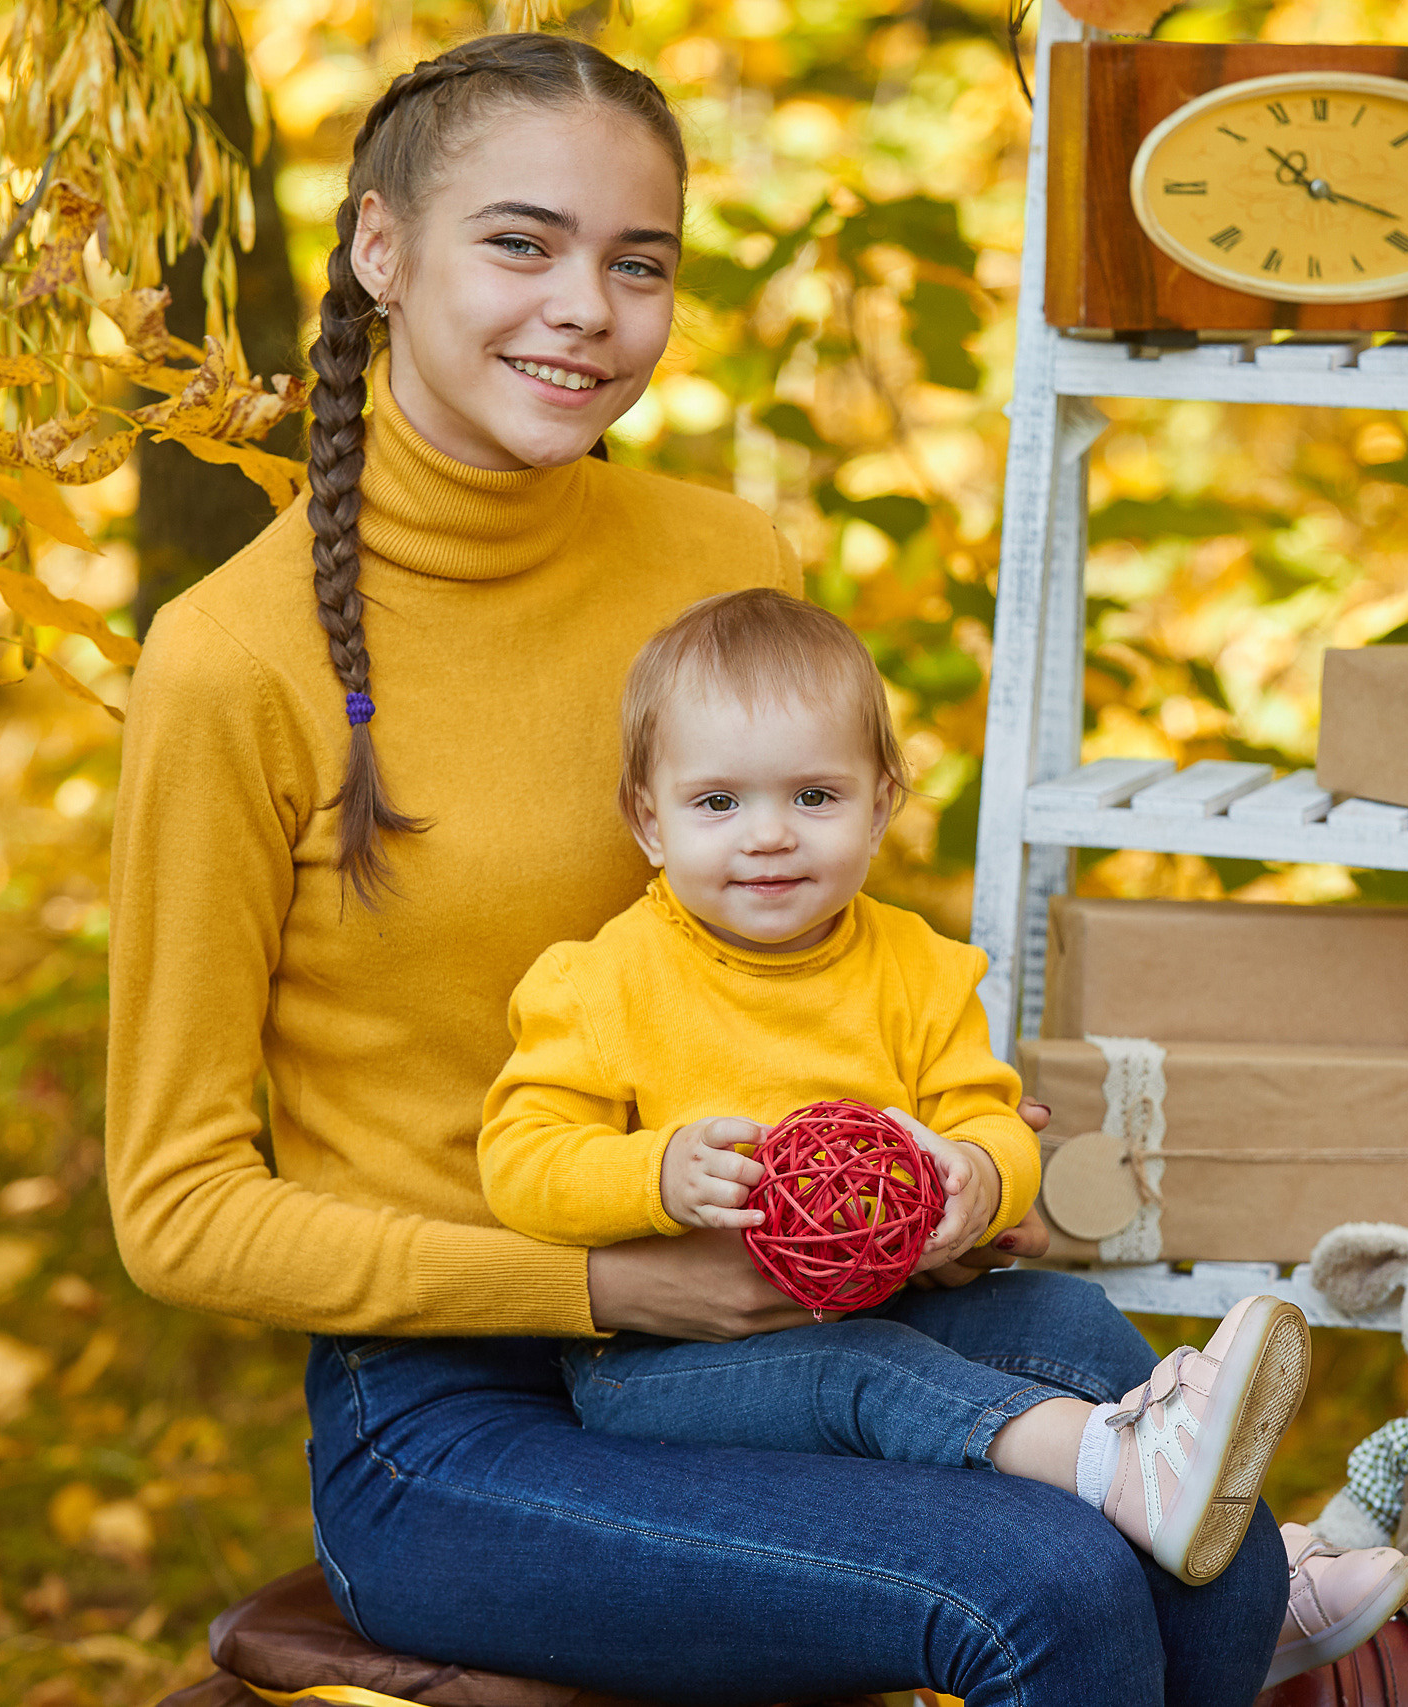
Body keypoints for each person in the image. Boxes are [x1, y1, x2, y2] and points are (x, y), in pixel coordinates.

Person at [105, 32, 1402, 1704]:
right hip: (453, 1409)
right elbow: (179, 1209)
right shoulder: (233, 663)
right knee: (1050, 1579)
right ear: (379, 250)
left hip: (800, 1321)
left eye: (635, 263)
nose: (584, 305)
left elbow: (820, 941)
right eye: (521, 242)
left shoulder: (726, 555)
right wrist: (597, 1276)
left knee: (1155, 1465)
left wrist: (922, 1180)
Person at [479, 587, 1313, 1589]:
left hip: (888, 1304)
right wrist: (654, 1171)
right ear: (647, 821)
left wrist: (972, 1174)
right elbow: (519, 1162)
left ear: (880, 805)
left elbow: (986, 1123)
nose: (769, 835)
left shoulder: (918, 971)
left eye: (813, 798)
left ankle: (1256, 1564)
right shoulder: (600, 983)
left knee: (1065, 1319)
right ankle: (1101, 1462)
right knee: (865, 1375)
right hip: (661, 1366)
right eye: (717, 803)